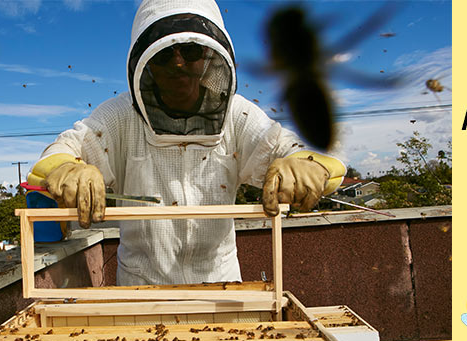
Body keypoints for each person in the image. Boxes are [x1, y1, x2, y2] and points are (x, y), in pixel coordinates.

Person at [27, 0, 345, 286]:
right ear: (146, 60)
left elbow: (314, 159)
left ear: (207, 56)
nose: (178, 63)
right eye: (165, 53)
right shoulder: (120, 116)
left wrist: (307, 166)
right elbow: (55, 157)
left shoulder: (238, 115)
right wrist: (67, 168)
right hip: (141, 294)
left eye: (190, 51)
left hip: (221, 289)